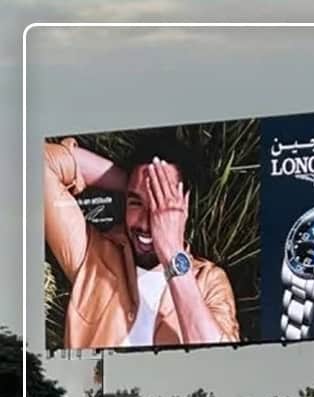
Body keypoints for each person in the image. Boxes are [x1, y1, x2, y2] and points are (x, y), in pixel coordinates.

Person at [44, 136, 239, 349]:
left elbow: (221, 359)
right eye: (136, 202)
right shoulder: (93, 256)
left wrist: (172, 252)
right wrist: (129, 182)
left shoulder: (209, 282)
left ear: (185, 206)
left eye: (160, 204)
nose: (146, 223)